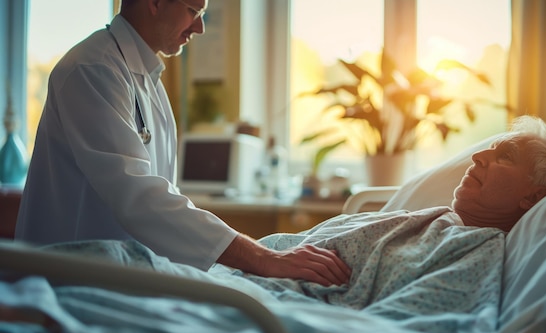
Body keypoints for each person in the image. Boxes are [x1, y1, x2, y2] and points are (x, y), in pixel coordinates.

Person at [14, 0, 350, 287]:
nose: (200, 27)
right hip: (73, 280)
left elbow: (159, 198)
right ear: (155, 2)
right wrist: (263, 259)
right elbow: (140, 198)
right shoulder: (92, 69)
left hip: (122, 273)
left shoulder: (147, 81)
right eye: (193, 9)